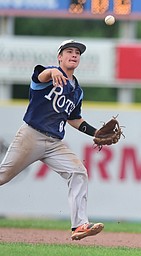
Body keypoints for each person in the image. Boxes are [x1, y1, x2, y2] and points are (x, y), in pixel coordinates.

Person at [0, 39, 104, 240]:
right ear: (60, 57)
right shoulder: (48, 75)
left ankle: (80, 225)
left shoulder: (77, 91)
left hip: (55, 143)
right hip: (32, 135)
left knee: (78, 172)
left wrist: (96, 133)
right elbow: (40, 75)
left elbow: (73, 118)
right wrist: (52, 72)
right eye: (69, 51)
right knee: (3, 176)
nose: (74, 55)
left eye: (77, 53)